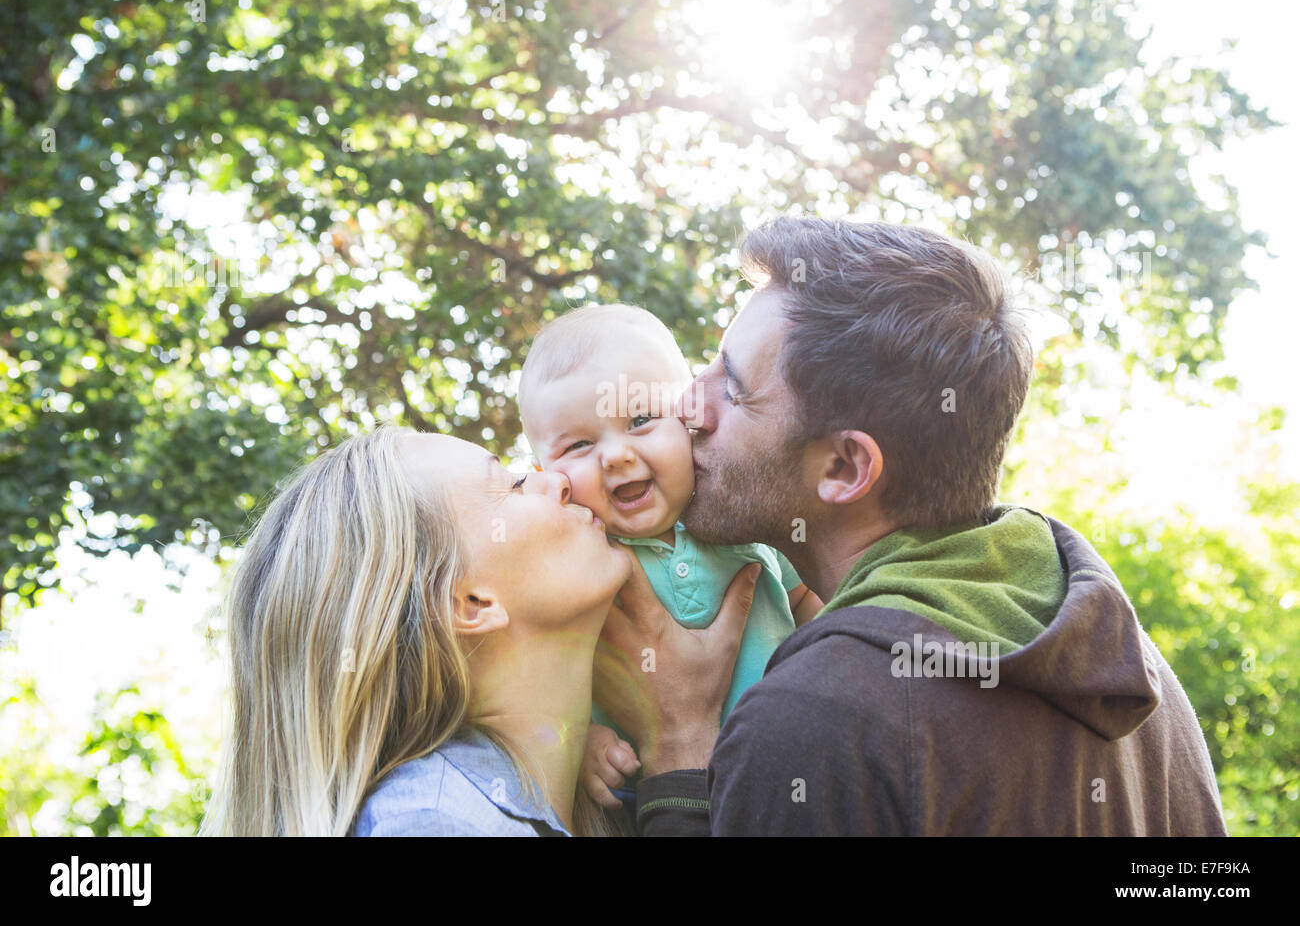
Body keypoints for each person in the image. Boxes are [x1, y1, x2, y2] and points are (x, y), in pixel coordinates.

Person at [595, 216, 1229, 836]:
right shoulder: (1124, 662)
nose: (687, 405)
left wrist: (678, 757)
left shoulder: (817, 720)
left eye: (731, 389)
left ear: (844, 468)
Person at [200, 424, 757, 836]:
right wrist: (682, 747)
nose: (556, 482)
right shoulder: (431, 824)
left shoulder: (601, 801)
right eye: (513, 484)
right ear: (470, 602)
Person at [515, 304, 822, 809]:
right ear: (546, 473)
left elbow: (810, 605)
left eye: (640, 419)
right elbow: (540, 680)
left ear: (689, 417)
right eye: (578, 445)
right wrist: (582, 738)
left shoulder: (742, 521)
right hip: (670, 797)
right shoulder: (576, 563)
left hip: (787, 774)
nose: (614, 455)